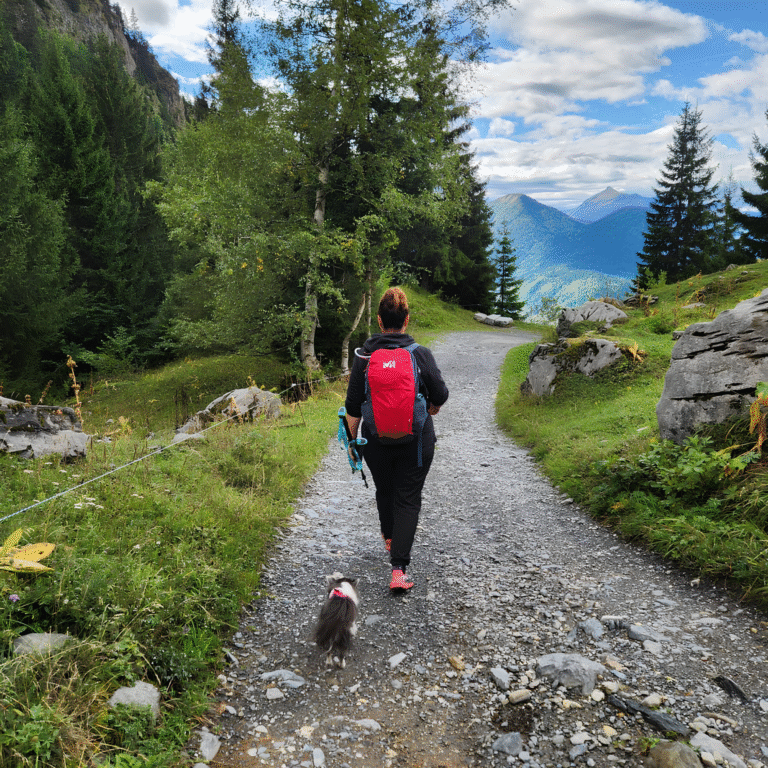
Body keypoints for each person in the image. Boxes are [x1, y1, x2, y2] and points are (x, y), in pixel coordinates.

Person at [344, 287, 449, 591]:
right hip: (415, 440)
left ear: (379, 320)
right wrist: (430, 406)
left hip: (375, 439)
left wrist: (354, 447)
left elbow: (353, 408)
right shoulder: (419, 354)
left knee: (385, 491)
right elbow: (441, 394)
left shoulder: (364, 357)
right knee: (408, 497)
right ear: (406, 320)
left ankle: (391, 540)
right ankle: (398, 570)